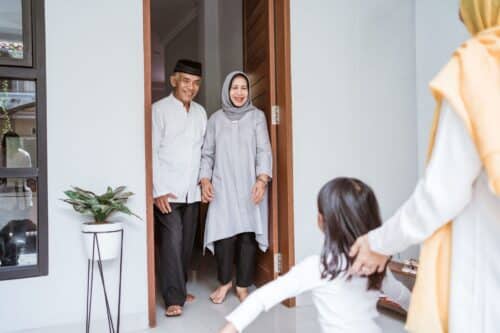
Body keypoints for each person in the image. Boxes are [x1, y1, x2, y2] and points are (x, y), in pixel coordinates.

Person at [349, 1, 500, 332]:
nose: (460, 14)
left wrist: (378, 243)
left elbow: (441, 195)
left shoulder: (479, 66)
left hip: (485, 284)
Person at [219, 178, 411, 333]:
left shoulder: (319, 267)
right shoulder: (376, 264)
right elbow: (402, 295)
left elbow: (263, 297)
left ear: (322, 220)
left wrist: (230, 327)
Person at [199, 71, 272, 304]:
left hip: (250, 185)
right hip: (222, 185)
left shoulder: (257, 117)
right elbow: (207, 154)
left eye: (243, 88)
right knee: (223, 236)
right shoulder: (215, 120)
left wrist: (262, 180)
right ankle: (224, 283)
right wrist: (205, 180)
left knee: (247, 235)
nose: (239, 93)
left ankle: (242, 285)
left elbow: (264, 150)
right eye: (234, 88)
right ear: (226, 91)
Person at [152, 59, 207, 317]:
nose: (191, 87)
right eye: (186, 81)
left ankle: (180, 288)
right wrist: (157, 190)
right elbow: (151, 152)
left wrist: (205, 180)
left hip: (192, 191)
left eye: (196, 83)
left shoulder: (200, 112)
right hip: (168, 191)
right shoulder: (159, 110)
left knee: (186, 244)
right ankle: (174, 298)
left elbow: (205, 151)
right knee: (172, 241)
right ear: (174, 80)